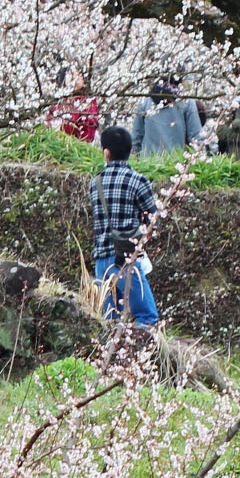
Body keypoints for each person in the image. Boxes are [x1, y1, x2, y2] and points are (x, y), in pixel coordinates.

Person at [89, 124, 161, 328]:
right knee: (147, 317)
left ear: (106, 153)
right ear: (130, 152)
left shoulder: (95, 183)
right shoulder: (138, 180)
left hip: (101, 260)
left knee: (109, 321)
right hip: (126, 260)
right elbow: (153, 217)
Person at [132, 77, 204, 158]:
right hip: (177, 164)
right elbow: (196, 137)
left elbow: (136, 138)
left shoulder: (144, 101)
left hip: (148, 164)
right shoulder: (187, 102)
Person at [48, 69, 102, 144]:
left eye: (79, 75)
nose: (75, 77)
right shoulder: (58, 102)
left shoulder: (87, 103)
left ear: (84, 83)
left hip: (74, 146)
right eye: (70, 73)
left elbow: (88, 132)